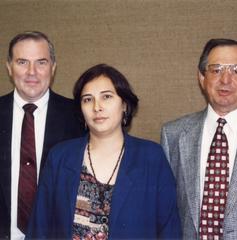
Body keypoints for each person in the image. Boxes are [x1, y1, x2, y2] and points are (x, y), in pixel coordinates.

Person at [26, 63, 181, 239]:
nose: (97, 107)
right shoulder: (60, 157)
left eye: (106, 97)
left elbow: (170, 230)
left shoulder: (151, 157)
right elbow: (39, 229)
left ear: (124, 105)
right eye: (87, 99)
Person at [0, 31, 83, 240]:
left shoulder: (79, 117)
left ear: (53, 68)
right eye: (22, 62)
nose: (32, 72)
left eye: (41, 62)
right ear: (8, 67)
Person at [161, 38, 237, 239]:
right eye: (216, 70)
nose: (225, 79)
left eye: (236, 70)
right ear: (202, 77)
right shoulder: (174, 135)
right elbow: (165, 212)